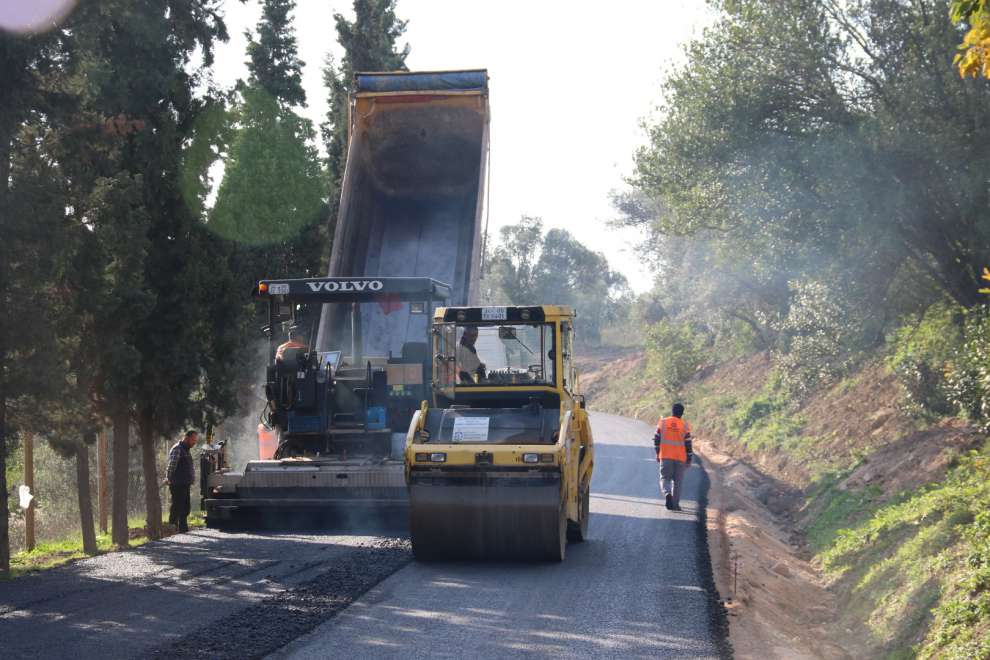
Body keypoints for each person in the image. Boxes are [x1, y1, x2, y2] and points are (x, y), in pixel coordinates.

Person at [654, 403, 693, 511]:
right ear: (682, 413)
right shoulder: (685, 426)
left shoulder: (663, 422)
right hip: (680, 458)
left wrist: (657, 453)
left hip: (665, 456)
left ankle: (667, 494)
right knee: (677, 482)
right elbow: (688, 444)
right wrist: (689, 459)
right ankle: (675, 505)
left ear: (672, 411)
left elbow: (656, 439)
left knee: (665, 478)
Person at [165, 429, 199, 532]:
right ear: (186, 438)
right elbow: (172, 465)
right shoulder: (177, 449)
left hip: (185, 483)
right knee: (177, 505)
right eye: (193, 440)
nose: (194, 442)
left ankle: (183, 529)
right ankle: (172, 526)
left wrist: (191, 478)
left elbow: (188, 467)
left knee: (185, 507)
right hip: (177, 483)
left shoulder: (186, 450)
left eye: (195, 440)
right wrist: (168, 477)